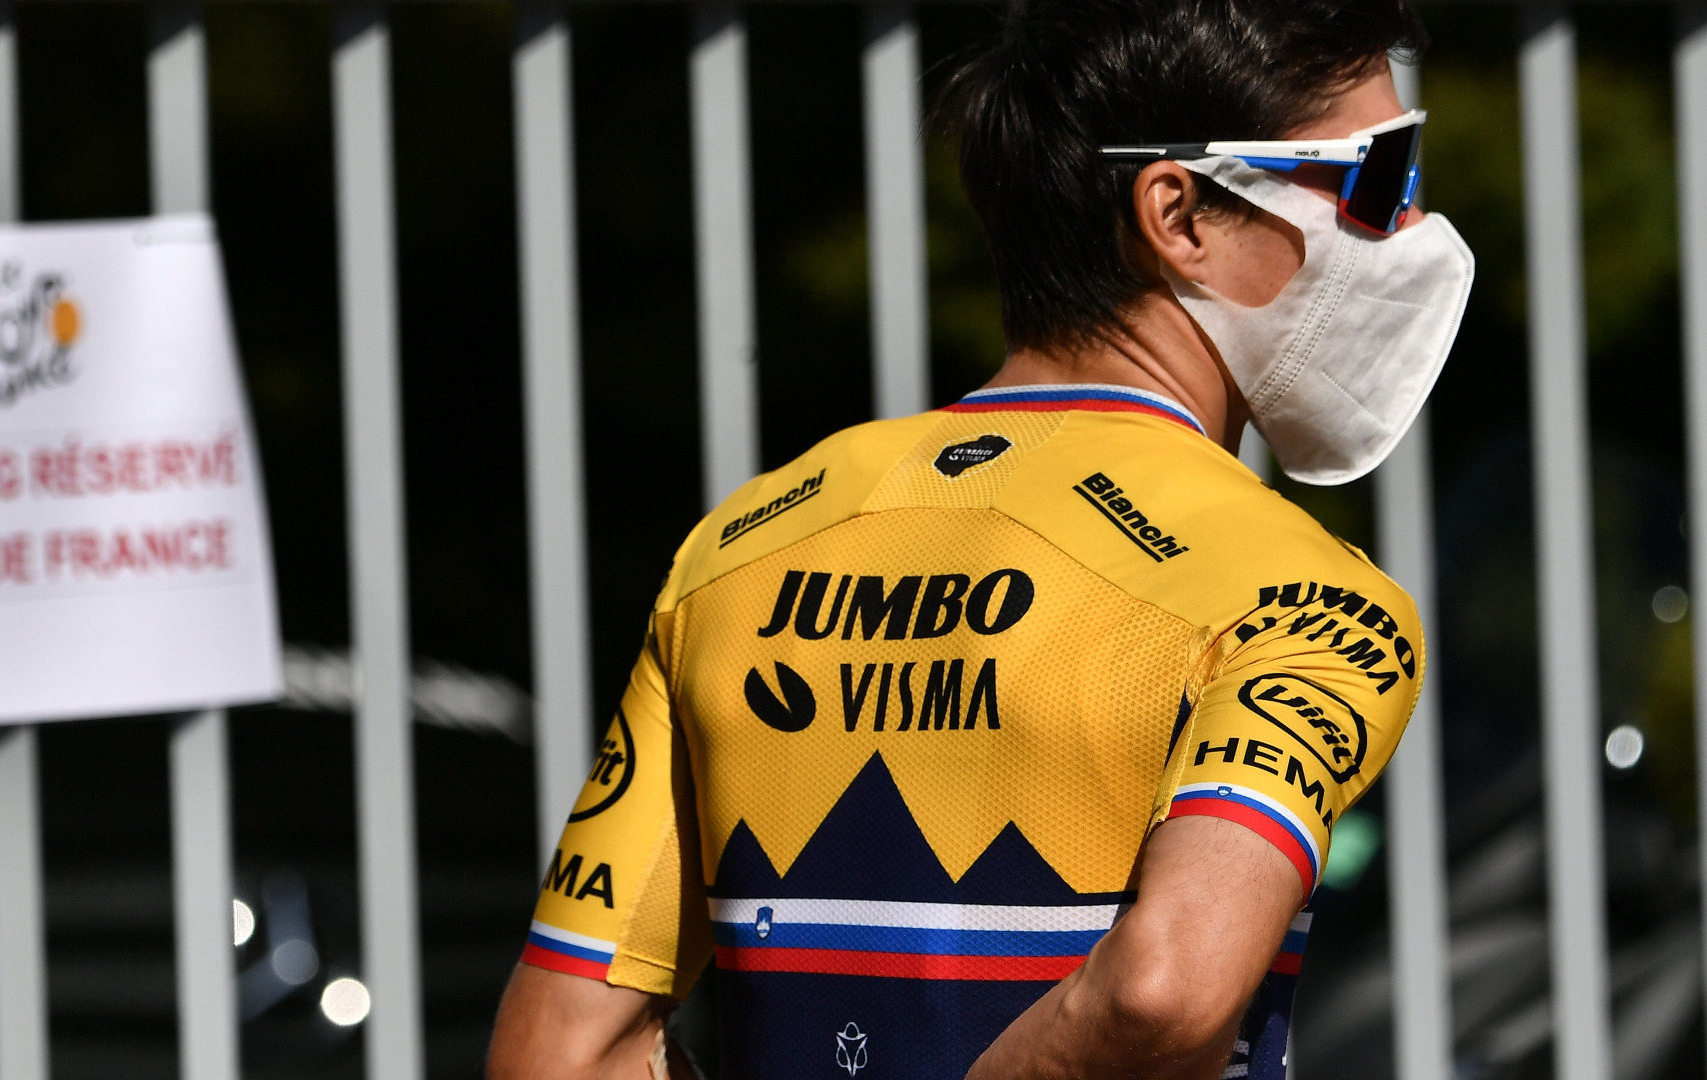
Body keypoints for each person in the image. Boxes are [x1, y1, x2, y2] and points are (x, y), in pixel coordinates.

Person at [488, 0, 1472, 1076]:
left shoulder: (739, 550)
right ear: (1179, 215)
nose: (1414, 226)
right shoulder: (1309, 599)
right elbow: (1165, 990)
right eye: (1381, 178)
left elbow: (560, 1050)